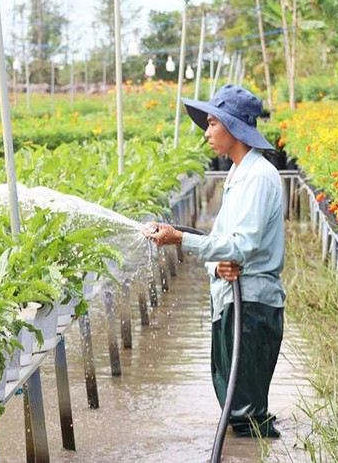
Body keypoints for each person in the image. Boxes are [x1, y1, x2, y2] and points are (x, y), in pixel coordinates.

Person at [145, 84, 285, 439]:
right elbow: (224, 245)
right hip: (235, 301)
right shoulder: (239, 174)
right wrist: (216, 264)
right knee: (235, 405)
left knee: (246, 414)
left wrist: (179, 239)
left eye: (212, 123)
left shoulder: (258, 176)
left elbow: (241, 246)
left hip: (251, 306)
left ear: (234, 127)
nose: (206, 133)